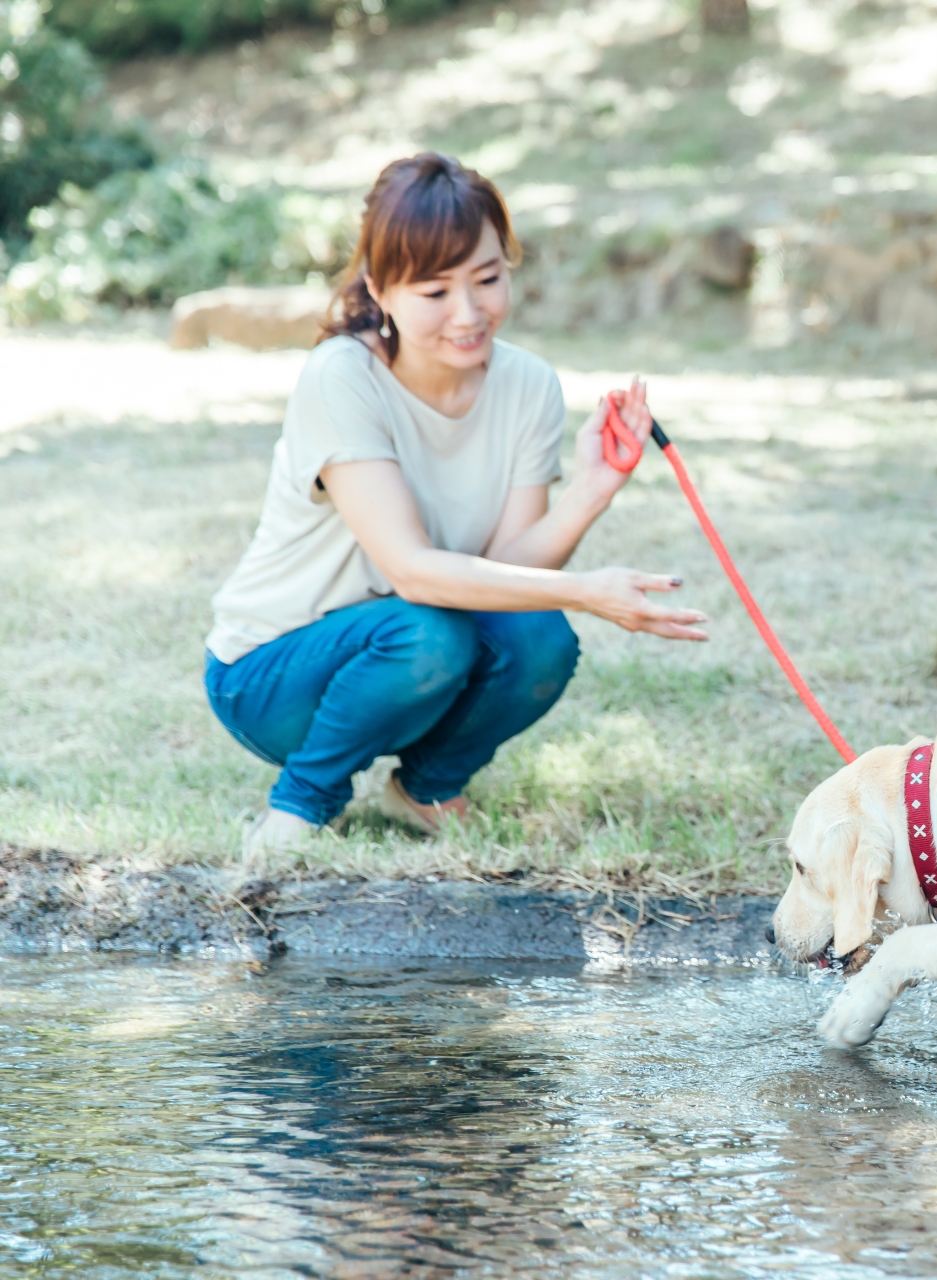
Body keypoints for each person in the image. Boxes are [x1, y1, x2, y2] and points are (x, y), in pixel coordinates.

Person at [204, 152, 707, 855]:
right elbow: (413, 572)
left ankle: (426, 789)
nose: (468, 315)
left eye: (488, 279)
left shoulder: (528, 385)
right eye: (434, 292)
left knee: (541, 637)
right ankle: (298, 809)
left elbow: (503, 572)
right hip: (273, 675)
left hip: (416, 653)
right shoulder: (340, 377)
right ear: (380, 290)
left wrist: (593, 491)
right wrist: (587, 590)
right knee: (430, 631)